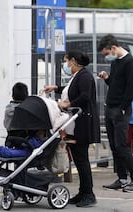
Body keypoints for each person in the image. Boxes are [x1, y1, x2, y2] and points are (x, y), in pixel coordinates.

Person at [44, 50, 100, 207]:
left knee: (82, 159)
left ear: (73, 61)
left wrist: (67, 104)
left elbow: (84, 96)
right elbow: (71, 90)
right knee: (78, 158)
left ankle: (89, 194)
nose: (66, 65)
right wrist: (56, 88)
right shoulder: (78, 76)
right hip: (75, 124)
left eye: (66, 61)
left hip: (82, 124)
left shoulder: (85, 76)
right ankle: (83, 192)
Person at [97, 34, 133, 193]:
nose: (107, 57)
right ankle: (122, 178)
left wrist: (123, 107)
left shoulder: (129, 62)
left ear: (113, 48)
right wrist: (107, 78)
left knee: (122, 145)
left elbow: (131, 87)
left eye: (107, 53)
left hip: (120, 109)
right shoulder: (116, 62)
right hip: (111, 106)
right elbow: (116, 83)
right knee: (115, 145)